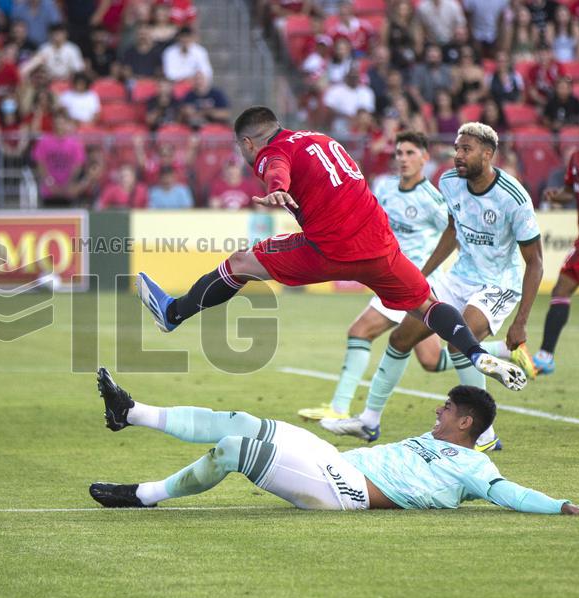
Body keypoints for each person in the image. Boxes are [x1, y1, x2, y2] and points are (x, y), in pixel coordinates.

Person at [134, 107, 528, 397]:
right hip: (379, 243)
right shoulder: (319, 138)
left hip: (331, 247)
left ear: (248, 142)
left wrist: (277, 186)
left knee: (240, 264)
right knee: (427, 304)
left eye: (242, 149)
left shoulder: (271, 153)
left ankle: (174, 313)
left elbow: (275, 168)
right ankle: (475, 353)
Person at [88, 368, 579, 515]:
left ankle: (142, 496)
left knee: (236, 452)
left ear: (465, 423)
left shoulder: (474, 468)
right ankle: (130, 412)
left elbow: (509, 493)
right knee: (241, 421)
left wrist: (563, 506)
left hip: (347, 492)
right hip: (333, 462)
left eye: (446, 408)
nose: (437, 409)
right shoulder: (436, 438)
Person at [321, 123, 542, 452]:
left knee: (457, 343)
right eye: (456, 148)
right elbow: (452, 230)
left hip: (498, 284)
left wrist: (521, 320)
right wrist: (422, 276)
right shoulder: (450, 182)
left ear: (487, 154)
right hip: (458, 277)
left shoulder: (513, 197)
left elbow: (536, 262)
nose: (458, 155)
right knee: (400, 338)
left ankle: (483, 435)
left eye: (466, 149)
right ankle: (368, 421)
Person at [296, 132, 455, 422]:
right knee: (431, 360)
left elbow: (454, 235)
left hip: (413, 281)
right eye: (399, 153)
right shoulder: (384, 187)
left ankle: (339, 408)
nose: (403, 159)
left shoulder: (432, 200)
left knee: (360, 331)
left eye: (410, 153)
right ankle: (500, 352)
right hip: (389, 273)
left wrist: (426, 272)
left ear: (424, 158)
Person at [534, 101, 579, 375]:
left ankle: (545, 356)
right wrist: (556, 196)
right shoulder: (576, 159)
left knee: (561, 287)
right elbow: (571, 191)